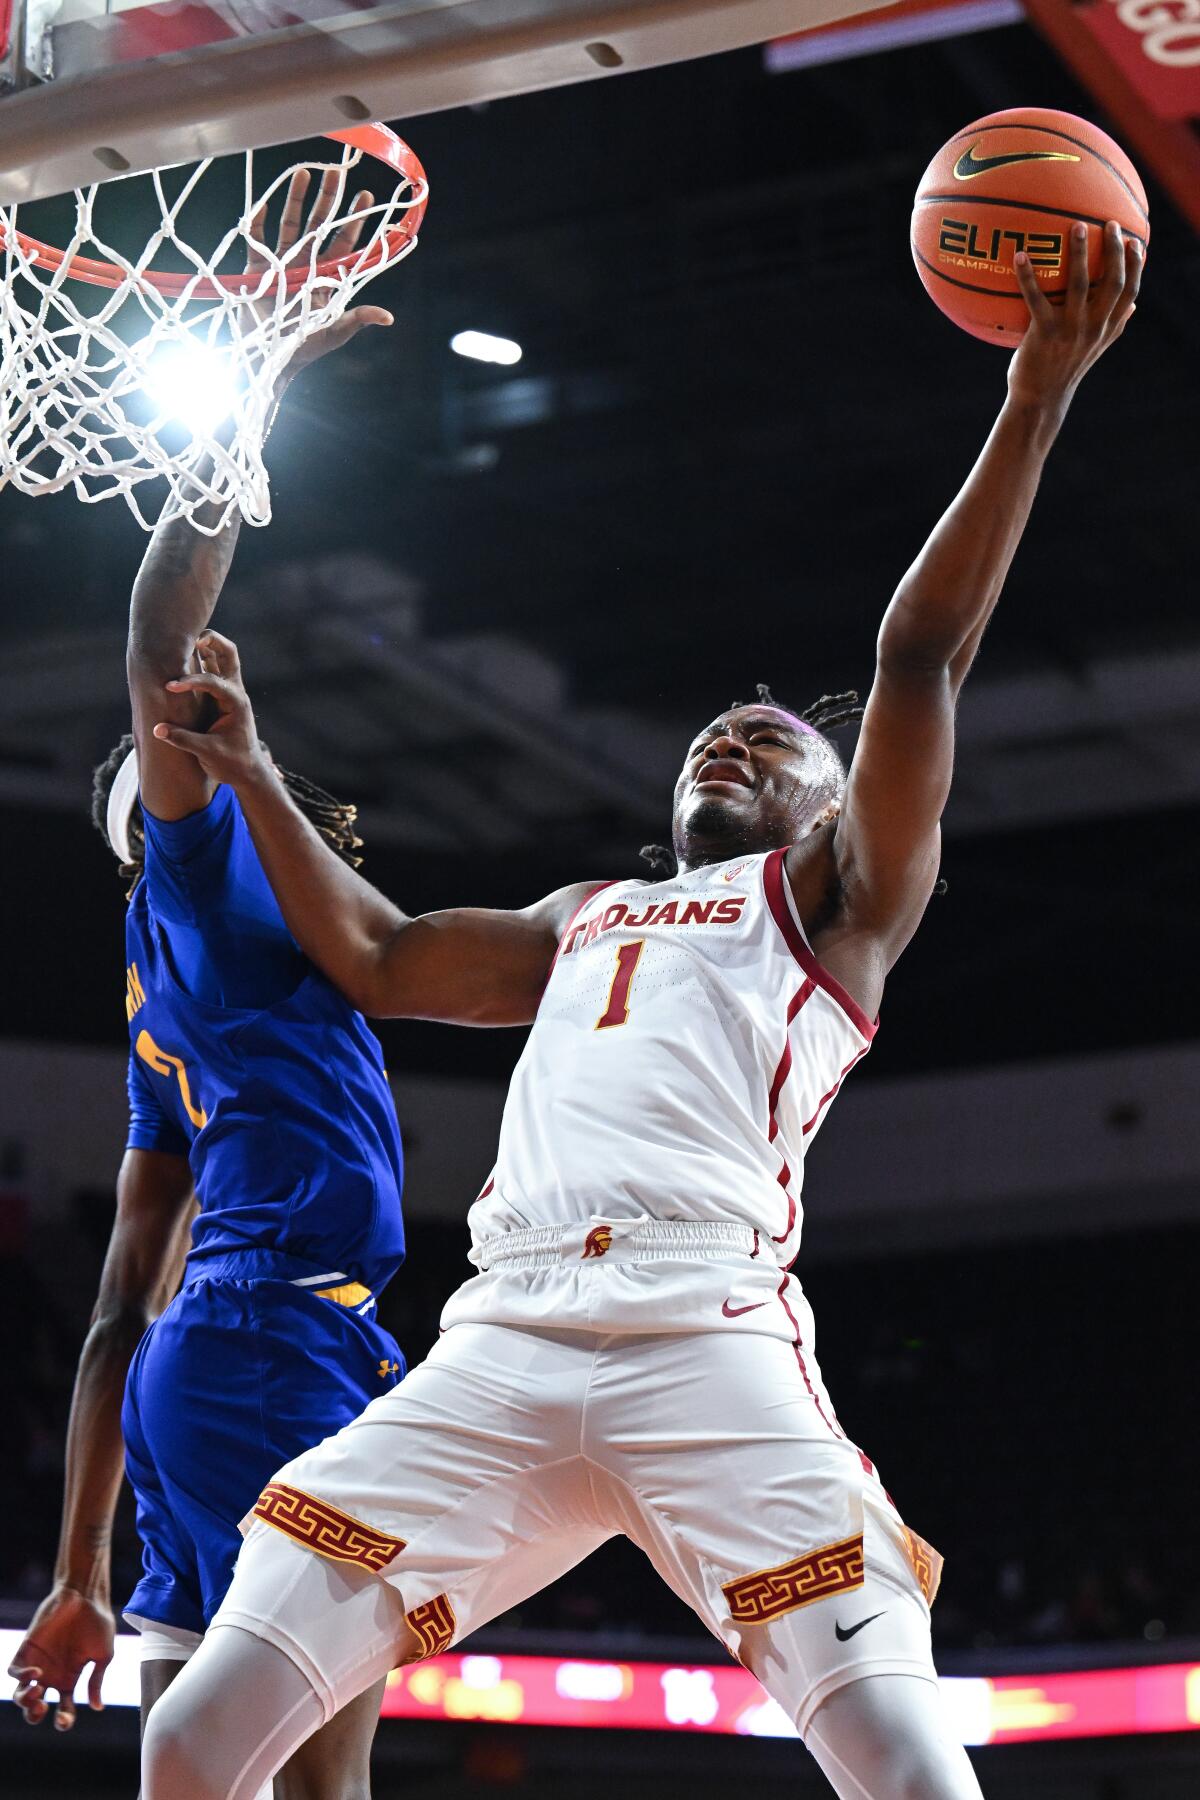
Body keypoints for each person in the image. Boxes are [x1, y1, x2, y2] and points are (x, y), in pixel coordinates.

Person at [137, 223, 1139, 1800]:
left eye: (766, 742)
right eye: (709, 739)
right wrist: (255, 769)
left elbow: (922, 653)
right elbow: (388, 961)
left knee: (907, 1763)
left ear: (831, 803)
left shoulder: (832, 902)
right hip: (503, 1339)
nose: (727, 746)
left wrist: (1034, 398)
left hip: (708, 1335)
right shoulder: (577, 918)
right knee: (191, 1741)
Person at [7, 172, 410, 1800]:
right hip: (271, 1346)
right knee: (322, 1784)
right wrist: (252, 393)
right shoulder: (196, 885)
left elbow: (113, 1318)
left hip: (216, 1355)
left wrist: (78, 1571)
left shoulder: (172, 1012)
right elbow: (159, 623)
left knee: (226, 1775)